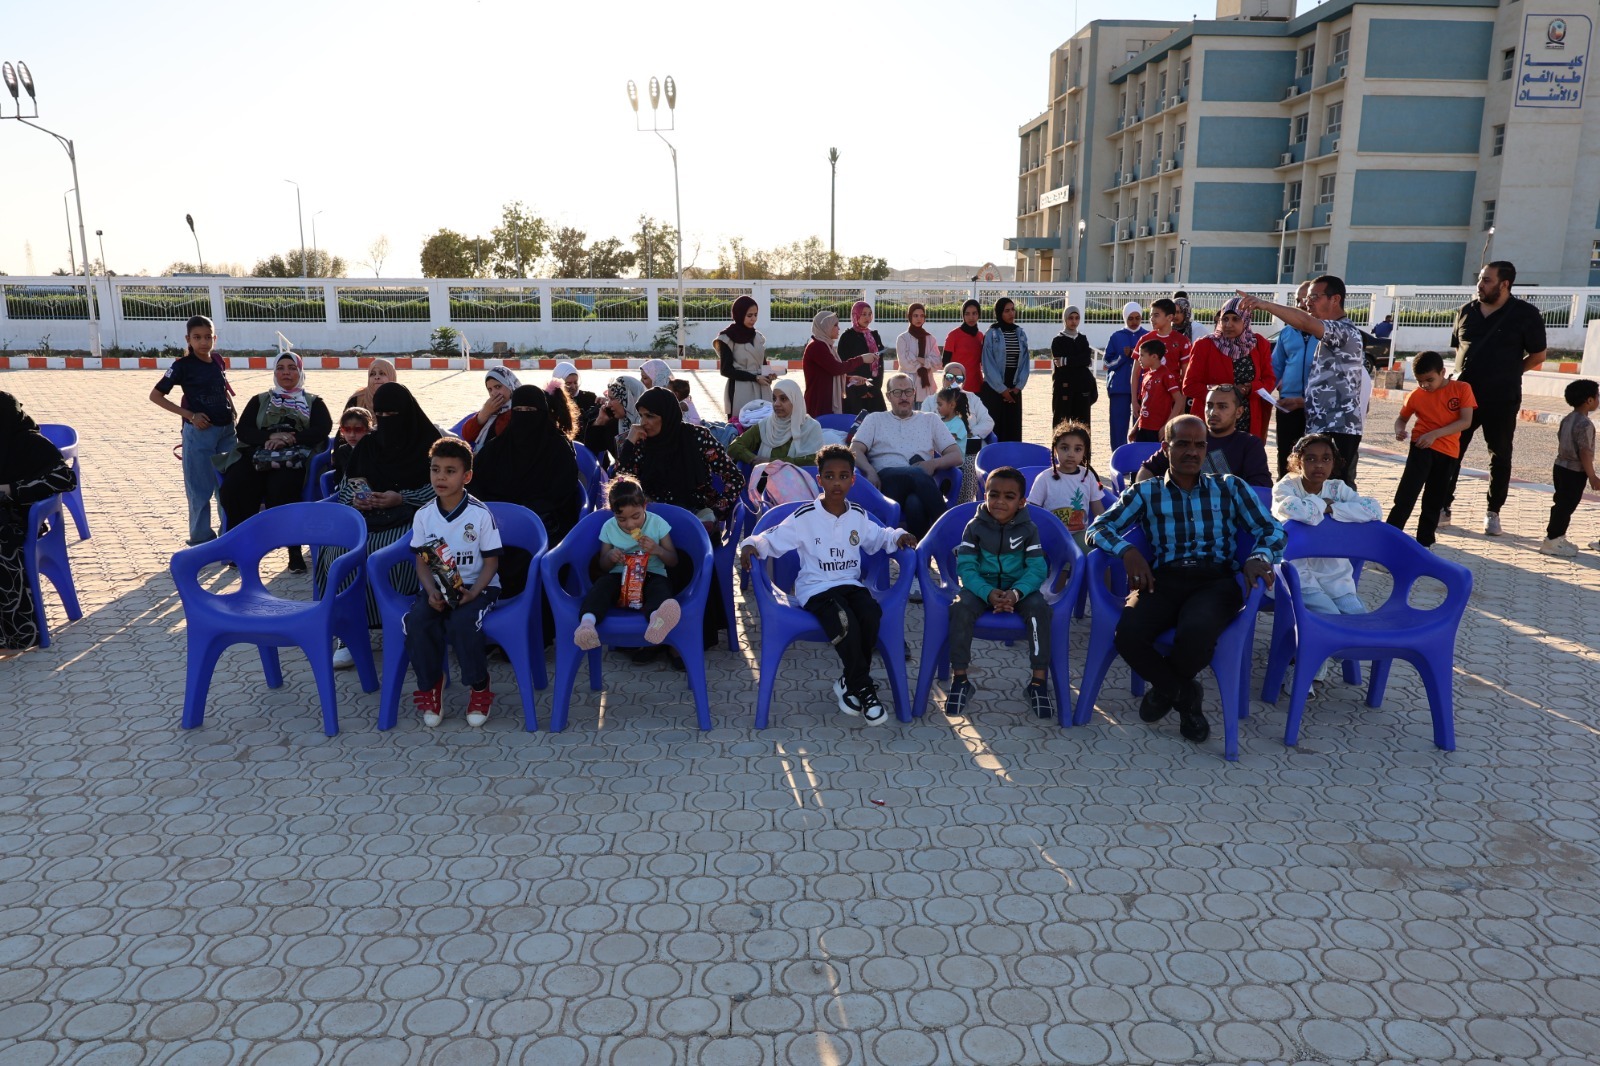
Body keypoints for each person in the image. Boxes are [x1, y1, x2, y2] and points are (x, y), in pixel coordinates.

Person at [1086, 414, 1285, 744]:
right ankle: (1185, 695)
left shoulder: (1230, 487)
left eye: (1199, 445)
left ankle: (1166, 690)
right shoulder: (1146, 492)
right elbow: (1098, 527)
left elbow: (1273, 529)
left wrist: (1258, 556)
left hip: (1215, 580)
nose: (1192, 452)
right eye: (1182, 444)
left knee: (1196, 631)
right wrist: (1127, 551)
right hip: (1164, 578)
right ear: (1166, 448)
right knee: (1128, 635)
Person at [739, 445, 917, 726]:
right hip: (816, 589)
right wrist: (751, 545)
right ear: (819, 479)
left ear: (853, 480)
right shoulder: (805, 516)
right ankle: (865, 689)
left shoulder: (858, 515)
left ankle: (850, 681)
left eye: (843, 476)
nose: (836, 483)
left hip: (850, 584)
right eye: (829, 476)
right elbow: (772, 538)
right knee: (844, 621)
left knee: (871, 614)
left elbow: (880, 537)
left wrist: (899, 536)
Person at [324, 381, 442, 662]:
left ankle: (404, 623)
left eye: (393, 415)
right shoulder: (368, 444)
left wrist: (401, 498)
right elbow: (348, 487)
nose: (387, 421)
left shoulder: (429, 444)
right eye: (381, 415)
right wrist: (358, 500)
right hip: (368, 518)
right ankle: (349, 632)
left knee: (392, 554)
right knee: (339, 553)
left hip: (414, 519)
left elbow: (442, 490)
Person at [1440, 261, 1548, 535]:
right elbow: (1458, 350)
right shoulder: (1466, 311)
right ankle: (1442, 505)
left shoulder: (1525, 314)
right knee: (1451, 450)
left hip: (1502, 397)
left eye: (1487, 280)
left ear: (1505, 284)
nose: (1480, 285)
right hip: (1463, 397)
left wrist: (1511, 372)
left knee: (1499, 455)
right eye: (1480, 279)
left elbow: (1538, 355)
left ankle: (1493, 511)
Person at [405, 437, 502, 729]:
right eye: (435, 470)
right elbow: (422, 561)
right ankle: (431, 684)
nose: (441, 477)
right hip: (437, 587)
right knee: (417, 622)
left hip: (477, 587)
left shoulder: (479, 514)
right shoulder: (424, 515)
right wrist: (431, 591)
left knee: (463, 623)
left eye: (450, 471)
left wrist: (473, 593)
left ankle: (479, 686)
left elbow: (492, 563)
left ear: (466, 476)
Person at [943, 466, 1054, 721]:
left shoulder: (1029, 529)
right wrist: (987, 592)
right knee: (959, 608)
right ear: (985, 496)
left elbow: (1037, 568)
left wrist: (1016, 593)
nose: (1000, 501)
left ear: (1021, 501)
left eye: (1009, 496)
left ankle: (1038, 682)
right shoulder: (974, 527)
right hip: (981, 588)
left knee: (1040, 610)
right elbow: (966, 567)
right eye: (993, 495)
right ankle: (960, 679)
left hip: (1020, 589)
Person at [1234, 277, 1367, 488]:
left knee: (1334, 491)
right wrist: (1300, 402)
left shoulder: (1343, 331)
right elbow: (1332, 386)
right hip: (1319, 423)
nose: (1307, 303)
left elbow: (1305, 322)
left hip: (1338, 428)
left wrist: (1265, 305)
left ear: (1335, 299)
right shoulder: (1324, 334)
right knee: (1312, 488)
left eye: (1314, 297)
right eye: (1307, 298)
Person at [219, 352, 333, 571]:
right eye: (281, 368)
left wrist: (291, 438)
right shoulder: (260, 400)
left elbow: (322, 429)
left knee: (283, 487)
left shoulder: (313, 402)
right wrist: (269, 437)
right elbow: (243, 430)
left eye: (292, 368)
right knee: (235, 486)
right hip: (258, 453)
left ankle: (294, 551)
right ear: (274, 372)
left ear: (300, 372)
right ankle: (240, 546)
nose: (286, 373)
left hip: (294, 456)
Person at [149, 314, 236, 546]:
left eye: (208, 337)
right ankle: (201, 542)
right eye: (197, 337)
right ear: (188, 339)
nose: (203, 342)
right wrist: (190, 415)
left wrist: (233, 411)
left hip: (227, 433)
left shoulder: (217, 360)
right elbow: (155, 396)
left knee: (228, 488)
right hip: (200, 435)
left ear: (214, 338)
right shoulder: (181, 366)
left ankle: (229, 536)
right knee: (199, 490)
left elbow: (222, 389)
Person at [1272, 433, 1382, 616]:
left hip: (1334, 576)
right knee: (1329, 614)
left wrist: (1333, 508)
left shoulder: (1337, 489)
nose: (1319, 465)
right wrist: (1323, 503)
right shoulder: (1285, 487)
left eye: (1326, 459)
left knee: (1358, 615)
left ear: (1333, 462)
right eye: (1310, 459)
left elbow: (1373, 510)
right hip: (1296, 573)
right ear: (1298, 462)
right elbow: (1300, 512)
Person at [0, 392, 76, 650]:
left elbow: (64, 478)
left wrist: (10, 490)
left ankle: (17, 632)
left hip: (17, 518)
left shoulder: (30, 442)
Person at [573, 475, 683, 651]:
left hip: (652, 574)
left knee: (660, 589)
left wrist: (657, 550)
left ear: (644, 506)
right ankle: (587, 624)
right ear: (613, 513)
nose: (630, 524)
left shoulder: (657, 524)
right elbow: (603, 566)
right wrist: (610, 557)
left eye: (635, 516)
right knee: (602, 586)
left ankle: (657, 621)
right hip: (620, 576)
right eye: (622, 519)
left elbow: (673, 561)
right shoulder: (609, 527)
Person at [849, 373, 962, 538]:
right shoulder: (875, 419)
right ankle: (950, 534)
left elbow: (957, 456)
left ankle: (919, 550)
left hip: (921, 485)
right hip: (886, 483)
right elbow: (854, 450)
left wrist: (933, 464)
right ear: (888, 396)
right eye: (897, 392)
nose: (904, 397)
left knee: (914, 503)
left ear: (914, 394)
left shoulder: (930, 420)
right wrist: (870, 471)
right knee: (916, 473)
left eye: (908, 392)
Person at [616, 387, 746, 529]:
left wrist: (715, 512)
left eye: (650, 416)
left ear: (667, 416)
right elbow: (620, 486)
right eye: (641, 416)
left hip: (694, 518)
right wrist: (629, 443)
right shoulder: (640, 441)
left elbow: (735, 478)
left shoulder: (697, 437)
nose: (643, 422)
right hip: (650, 519)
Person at [1385, 351, 1476, 549]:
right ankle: (1387, 542)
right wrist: (1399, 430)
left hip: (1448, 453)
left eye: (1429, 380)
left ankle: (1424, 546)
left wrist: (1435, 434)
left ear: (1442, 372)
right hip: (1421, 448)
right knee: (1406, 496)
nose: (1425, 385)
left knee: (1434, 501)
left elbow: (1465, 421)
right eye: (1420, 381)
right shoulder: (1416, 395)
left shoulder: (1462, 389)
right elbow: (1401, 419)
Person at [474, 384, 582, 551]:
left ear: (542, 412)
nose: (524, 416)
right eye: (519, 410)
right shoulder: (498, 447)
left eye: (530, 410)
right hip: (496, 525)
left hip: (544, 527)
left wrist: (525, 513)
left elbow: (562, 492)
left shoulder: (558, 449)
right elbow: (476, 483)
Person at [1136, 385, 1272, 488]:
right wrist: (1145, 496)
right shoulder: (1186, 436)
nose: (1213, 412)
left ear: (1239, 412)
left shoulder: (1250, 444)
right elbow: (1147, 469)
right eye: (1209, 406)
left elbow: (1261, 487)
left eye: (1222, 407)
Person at [1183, 297, 1275, 440]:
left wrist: (1250, 388)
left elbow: (1269, 380)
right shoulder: (1205, 345)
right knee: (1214, 454)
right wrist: (1225, 393)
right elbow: (1189, 386)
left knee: (1247, 453)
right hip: (1213, 422)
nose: (1228, 324)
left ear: (1246, 320)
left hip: (1248, 420)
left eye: (1235, 319)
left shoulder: (1259, 344)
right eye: (1225, 319)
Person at [1542, 378, 1600, 556]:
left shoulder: (1567, 419)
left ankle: (1558, 537)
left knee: (1561, 502)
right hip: (1574, 471)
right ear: (1589, 400)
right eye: (1597, 396)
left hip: (1560, 466)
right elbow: (1585, 452)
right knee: (1566, 506)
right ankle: (1552, 540)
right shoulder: (1585, 424)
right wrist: (1592, 476)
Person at [1028, 420, 1104, 550]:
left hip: (1080, 534)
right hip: (1051, 535)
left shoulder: (1088, 476)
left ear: (1084, 452)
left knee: (1097, 553)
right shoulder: (1044, 478)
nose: (1071, 454)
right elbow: (1033, 511)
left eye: (1077, 449)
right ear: (1055, 449)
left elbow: (1098, 509)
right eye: (1064, 448)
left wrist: (1105, 530)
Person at [923, 363, 994, 504]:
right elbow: (924, 426)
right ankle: (945, 502)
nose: (953, 381)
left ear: (964, 382)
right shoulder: (931, 401)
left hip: (969, 443)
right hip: (940, 446)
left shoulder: (972, 398)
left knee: (971, 459)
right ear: (943, 378)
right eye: (950, 377)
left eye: (959, 378)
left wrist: (968, 433)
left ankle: (964, 504)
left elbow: (988, 422)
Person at [1271, 281, 1316, 479]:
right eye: (1297, 300)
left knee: (1312, 456)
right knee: (1286, 455)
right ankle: (1285, 492)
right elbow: (1275, 367)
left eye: (1305, 299)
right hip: (1287, 405)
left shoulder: (1327, 333)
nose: (1300, 304)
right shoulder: (1287, 333)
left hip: (1316, 406)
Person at [728, 379, 825, 468]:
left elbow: (813, 460)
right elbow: (734, 446)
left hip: (800, 480)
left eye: (783, 399)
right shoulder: (766, 424)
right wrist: (754, 459)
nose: (776, 404)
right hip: (766, 478)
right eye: (774, 399)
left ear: (795, 401)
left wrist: (772, 462)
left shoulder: (811, 427)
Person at [980, 297, 1031, 443]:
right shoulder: (992, 333)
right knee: (995, 430)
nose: (1011, 313)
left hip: (1014, 389)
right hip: (994, 388)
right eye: (1007, 310)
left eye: (1013, 310)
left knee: (1012, 430)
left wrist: (1018, 387)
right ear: (999, 313)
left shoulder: (1020, 333)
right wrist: (1002, 390)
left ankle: (1012, 457)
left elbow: (1025, 362)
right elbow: (988, 363)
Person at [713, 295, 772, 418]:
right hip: (740, 390)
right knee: (741, 424)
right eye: (749, 315)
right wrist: (754, 378)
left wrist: (769, 375)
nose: (753, 319)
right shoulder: (727, 338)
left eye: (755, 315)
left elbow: (762, 363)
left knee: (764, 425)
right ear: (739, 314)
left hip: (762, 389)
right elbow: (726, 370)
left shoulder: (758, 337)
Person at [802, 311, 864, 417]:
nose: (838, 328)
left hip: (826, 402)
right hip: (818, 404)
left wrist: (850, 380)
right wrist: (861, 359)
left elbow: (828, 374)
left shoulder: (827, 345)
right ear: (825, 326)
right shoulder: (817, 346)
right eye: (835, 325)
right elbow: (836, 369)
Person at [1104, 302, 1147, 448]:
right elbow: (1107, 362)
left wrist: (1136, 355)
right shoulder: (1116, 337)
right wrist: (1123, 356)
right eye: (1130, 318)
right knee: (1118, 426)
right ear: (1125, 318)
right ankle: (1118, 455)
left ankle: (1138, 456)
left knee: (1141, 425)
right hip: (1120, 388)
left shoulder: (1147, 336)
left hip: (1142, 388)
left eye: (1137, 318)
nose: (1134, 322)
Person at [579, 376, 646, 466]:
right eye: (608, 399)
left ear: (628, 398)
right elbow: (592, 449)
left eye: (613, 399)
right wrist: (600, 421)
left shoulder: (649, 424)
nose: (608, 404)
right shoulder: (613, 425)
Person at [1050, 306, 1097, 431]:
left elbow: (1086, 360)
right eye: (1070, 318)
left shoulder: (1082, 339)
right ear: (1065, 319)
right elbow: (1062, 366)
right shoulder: (1058, 340)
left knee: (1083, 428)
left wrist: (1066, 360)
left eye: (1077, 318)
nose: (1074, 321)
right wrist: (1079, 362)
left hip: (1081, 389)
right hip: (1064, 389)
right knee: (1061, 427)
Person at [459, 366, 521, 452]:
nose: (493, 393)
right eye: (490, 389)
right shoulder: (492, 409)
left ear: (510, 385)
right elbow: (467, 435)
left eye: (498, 387)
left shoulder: (520, 409)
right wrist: (484, 413)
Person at [840, 301, 886, 416]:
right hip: (855, 391)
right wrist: (862, 389)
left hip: (874, 391)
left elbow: (880, 365)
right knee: (856, 423)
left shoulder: (874, 335)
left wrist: (875, 388)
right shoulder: (847, 337)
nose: (867, 317)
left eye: (870, 314)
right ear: (855, 315)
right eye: (863, 314)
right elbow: (844, 365)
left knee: (877, 421)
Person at [1133, 339, 1183, 444]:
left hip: (1157, 430)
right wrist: (1135, 427)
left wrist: (1167, 426)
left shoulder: (1165, 375)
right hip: (1143, 427)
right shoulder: (1146, 376)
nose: (1139, 359)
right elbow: (1145, 405)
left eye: (1142, 355)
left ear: (1154, 356)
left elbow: (1179, 400)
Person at [896, 303, 944, 404]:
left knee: (925, 412)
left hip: (926, 388)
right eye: (915, 315)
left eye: (922, 316)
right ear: (909, 316)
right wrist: (927, 364)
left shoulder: (930, 339)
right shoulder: (902, 339)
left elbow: (937, 363)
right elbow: (904, 363)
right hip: (907, 386)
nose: (919, 319)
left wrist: (920, 360)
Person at [943, 299, 986, 395]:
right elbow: (945, 362)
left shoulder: (980, 336)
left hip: (977, 386)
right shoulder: (953, 335)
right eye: (967, 314)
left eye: (974, 313)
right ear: (963, 315)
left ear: (979, 315)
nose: (971, 317)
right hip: (957, 386)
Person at [331, 407, 373, 484]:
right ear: (342, 431)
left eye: (358, 430)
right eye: (347, 430)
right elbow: (338, 476)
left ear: (368, 430)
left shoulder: (373, 450)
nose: (352, 435)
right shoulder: (342, 451)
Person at [934, 387, 971, 456]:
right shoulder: (940, 421)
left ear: (952, 405)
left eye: (940, 404)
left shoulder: (958, 423)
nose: (937, 407)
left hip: (954, 461)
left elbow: (946, 442)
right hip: (943, 458)